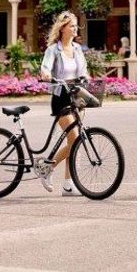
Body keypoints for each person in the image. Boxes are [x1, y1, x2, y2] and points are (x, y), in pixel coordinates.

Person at [35, 11, 89, 195]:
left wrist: (85, 77)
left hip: (77, 97)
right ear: (63, 29)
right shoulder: (53, 50)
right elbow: (45, 68)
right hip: (60, 98)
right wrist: (46, 75)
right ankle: (47, 168)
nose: (75, 29)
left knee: (73, 142)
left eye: (75, 25)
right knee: (74, 139)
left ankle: (68, 183)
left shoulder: (77, 49)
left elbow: (83, 70)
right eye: (72, 26)